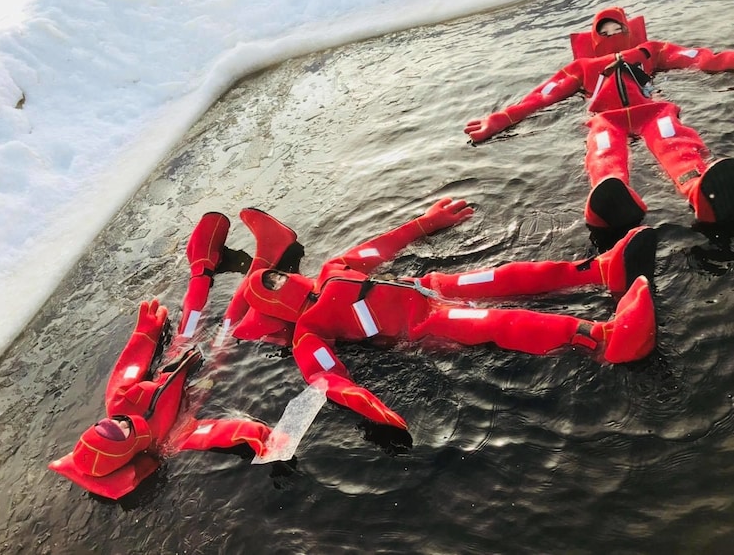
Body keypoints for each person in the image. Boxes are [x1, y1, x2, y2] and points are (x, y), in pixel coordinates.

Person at [219, 198, 657, 431]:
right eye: (271, 286)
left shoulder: (335, 267)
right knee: (497, 323)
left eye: (274, 277)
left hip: (428, 288)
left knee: (501, 278)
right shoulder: (309, 333)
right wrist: (374, 409)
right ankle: (605, 339)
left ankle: (602, 271)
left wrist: (427, 222)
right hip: (423, 326)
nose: (280, 282)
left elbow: (381, 246)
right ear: (274, 312)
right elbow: (330, 379)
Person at [464, 6, 734, 241]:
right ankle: (607, 202)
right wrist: (501, 119)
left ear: (628, 29)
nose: (611, 35)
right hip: (606, 119)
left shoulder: (649, 51)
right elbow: (544, 94)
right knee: (604, 154)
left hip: (653, 111)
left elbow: (698, 58)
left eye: (617, 29)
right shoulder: (582, 66)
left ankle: (699, 189)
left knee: (675, 142)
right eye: (603, 32)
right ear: (594, 39)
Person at [48, 299, 272, 500]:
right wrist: (255, 434)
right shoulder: (166, 442)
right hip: (203, 378)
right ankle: (254, 293)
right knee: (227, 330)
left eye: (106, 424)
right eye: (118, 433)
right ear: (126, 451)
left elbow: (131, 366)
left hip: (175, 359)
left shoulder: (117, 402)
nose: (119, 422)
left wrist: (145, 333)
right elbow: (212, 433)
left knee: (192, 317)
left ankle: (202, 271)